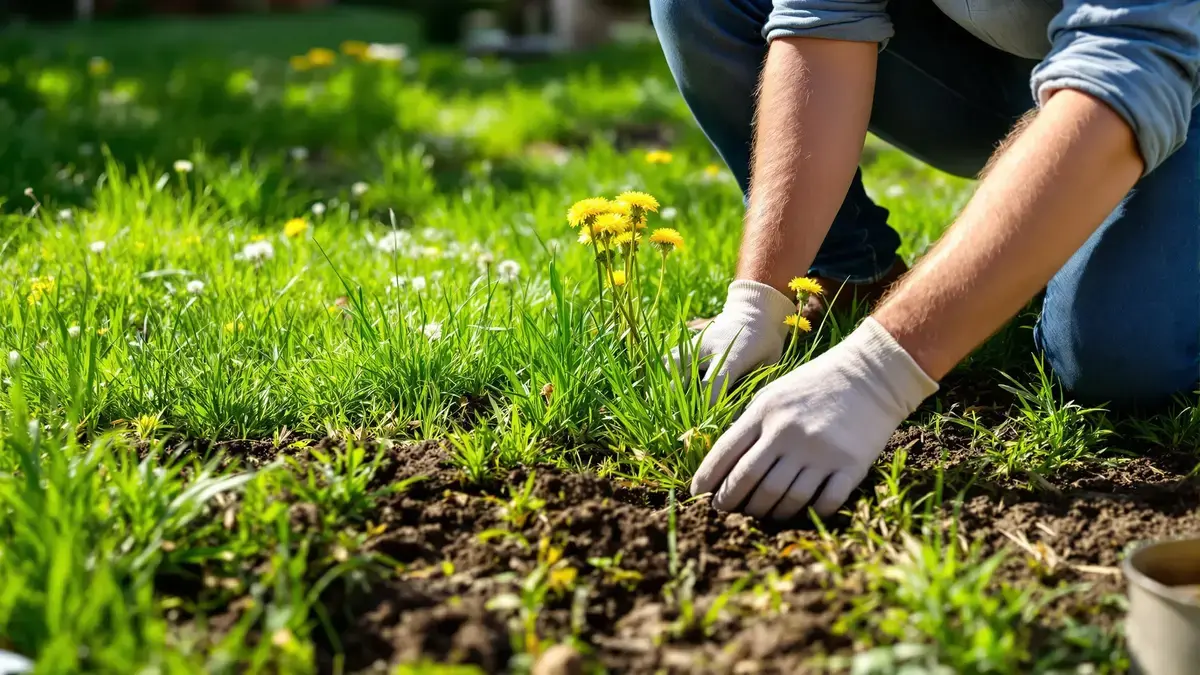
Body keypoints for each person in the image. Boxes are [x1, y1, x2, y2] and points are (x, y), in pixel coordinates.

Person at [652, 0, 1200, 521]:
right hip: (1010, 72)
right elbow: (823, 19)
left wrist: (876, 375)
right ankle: (852, 276)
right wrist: (760, 299)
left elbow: (1129, 62)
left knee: (1118, 353)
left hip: (1172, 72)